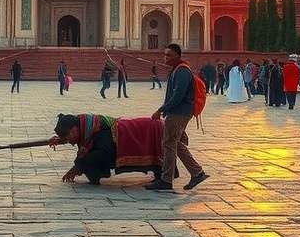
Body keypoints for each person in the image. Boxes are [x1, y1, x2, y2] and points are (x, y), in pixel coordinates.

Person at [145, 43, 208, 191]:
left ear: (177, 56)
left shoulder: (181, 72)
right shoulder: (178, 70)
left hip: (178, 113)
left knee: (168, 144)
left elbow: (177, 96)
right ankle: (197, 173)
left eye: (169, 55)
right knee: (175, 143)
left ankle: (166, 180)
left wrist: (161, 110)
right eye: (165, 54)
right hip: (179, 112)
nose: (165, 58)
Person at [50, 114, 167, 185]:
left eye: (67, 135)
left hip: (151, 128)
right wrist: (60, 140)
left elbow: (101, 153)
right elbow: (76, 139)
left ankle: (164, 176)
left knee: (91, 158)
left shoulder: (97, 130)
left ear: (75, 128)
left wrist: (79, 166)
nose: (67, 139)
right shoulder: (86, 126)